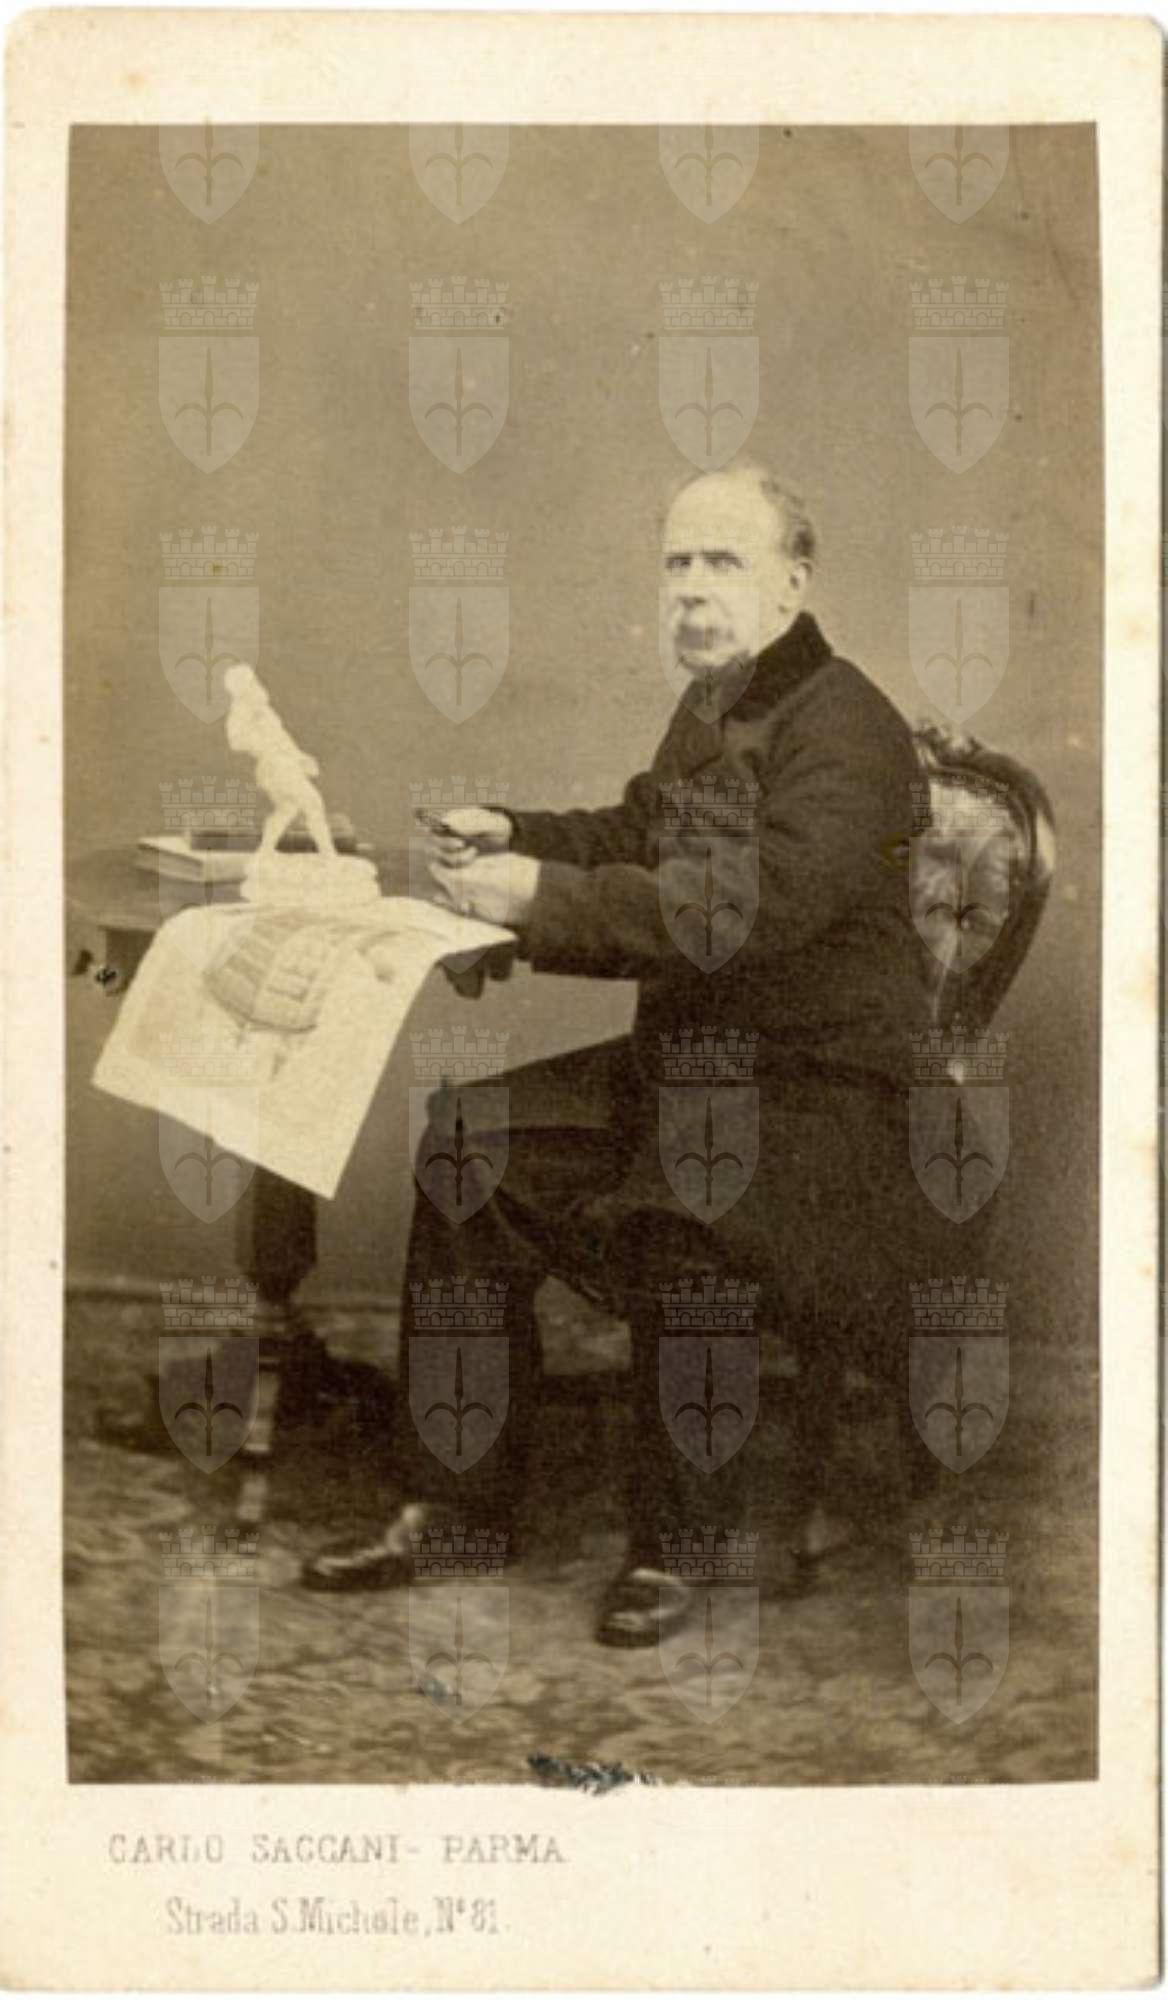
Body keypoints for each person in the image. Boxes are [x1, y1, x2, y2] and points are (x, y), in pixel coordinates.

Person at [302, 459, 933, 1645]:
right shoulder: (715, 703)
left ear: (792, 582)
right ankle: (455, 1504)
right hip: (693, 1067)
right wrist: (520, 832)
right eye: (676, 562)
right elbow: (642, 831)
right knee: (467, 1141)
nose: (690, 589)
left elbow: (737, 909)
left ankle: (674, 1544)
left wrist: (535, 895)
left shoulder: (849, 730)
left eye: (722, 561)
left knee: (685, 1208)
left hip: (826, 1102)